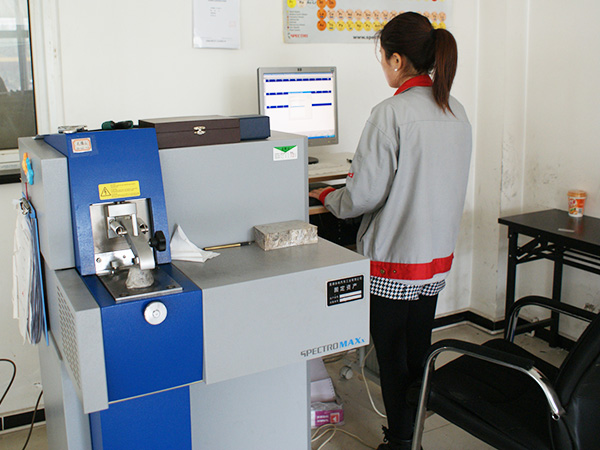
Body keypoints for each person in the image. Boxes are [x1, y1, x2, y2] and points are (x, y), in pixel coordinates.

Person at [309, 12, 472, 450]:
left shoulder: (390, 113)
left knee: (392, 357)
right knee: (418, 350)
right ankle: (411, 433)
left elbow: (361, 196)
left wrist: (328, 197)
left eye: (382, 57)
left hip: (394, 264)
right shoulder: (455, 110)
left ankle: (399, 441)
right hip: (434, 260)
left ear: (397, 60)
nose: (383, 65)